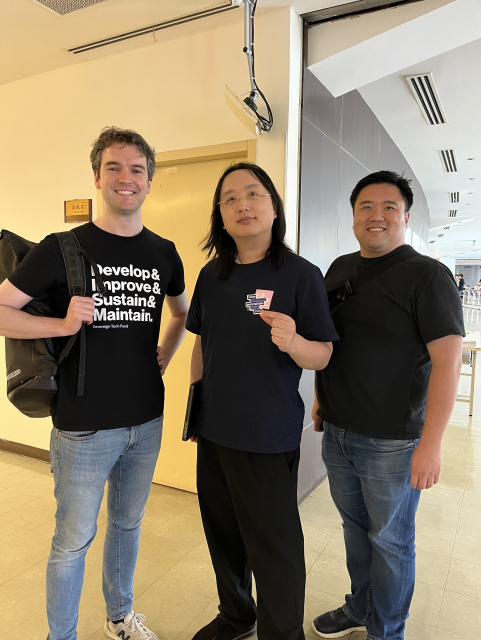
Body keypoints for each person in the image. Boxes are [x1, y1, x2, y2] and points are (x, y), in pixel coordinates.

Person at [0, 127, 189, 640]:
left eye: (136, 169)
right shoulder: (62, 248)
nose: (125, 178)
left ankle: (119, 618)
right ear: (97, 177)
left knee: (127, 527)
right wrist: (60, 325)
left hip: (146, 419)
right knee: (73, 541)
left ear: (150, 182)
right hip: (83, 426)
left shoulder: (164, 252)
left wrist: (165, 355)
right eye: (114, 167)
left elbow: (180, 313)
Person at [186, 163, 339, 640]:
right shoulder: (213, 275)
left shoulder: (300, 275)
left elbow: (324, 355)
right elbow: (200, 344)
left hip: (266, 436)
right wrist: (195, 408)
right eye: (229, 199)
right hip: (213, 431)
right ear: (220, 215)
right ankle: (237, 616)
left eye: (252, 194)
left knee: (274, 547)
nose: (241, 205)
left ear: (273, 206)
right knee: (223, 536)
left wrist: (294, 341)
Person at [311, 170, 464, 640]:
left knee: (392, 543)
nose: (376, 216)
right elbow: (329, 341)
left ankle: (388, 630)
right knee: (356, 530)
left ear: (405, 216)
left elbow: (448, 362)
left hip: (393, 443)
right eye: (366, 207)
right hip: (337, 433)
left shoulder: (427, 275)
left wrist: (431, 445)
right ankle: (361, 607)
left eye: (389, 208)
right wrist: (320, 398)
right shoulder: (338, 268)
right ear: (354, 215)